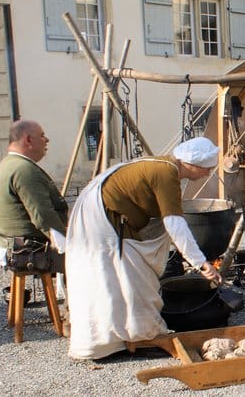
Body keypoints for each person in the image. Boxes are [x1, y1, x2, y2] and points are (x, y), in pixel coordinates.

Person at [65, 137, 223, 360]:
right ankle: (139, 337)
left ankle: (124, 338)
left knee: (116, 281)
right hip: (101, 222)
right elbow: (175, 224)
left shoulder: (164, 166)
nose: (207, 174)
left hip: (101, 217)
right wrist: (201, 263)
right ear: (193, 165)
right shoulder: (166, 173)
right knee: (121, 280)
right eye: (206, 169)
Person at [0, 120, 67, 272]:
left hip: (12, 244)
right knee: (98, 257)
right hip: (29, 250)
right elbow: (43, 217)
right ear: (28, 139)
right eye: (42, 135)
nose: (46, 139)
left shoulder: (9, 163)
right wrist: (69, 243)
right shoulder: (23, 170)